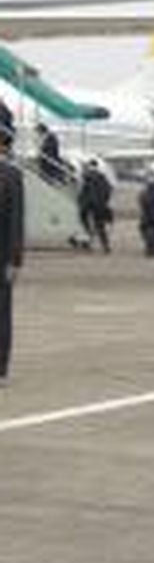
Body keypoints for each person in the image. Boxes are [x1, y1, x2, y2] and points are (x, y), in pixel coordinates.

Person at [0, 128, 24, 387]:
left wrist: (15, 261)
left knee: (1, 314)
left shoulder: (11, 176)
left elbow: (17, 220)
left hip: (1, 258)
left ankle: (0, 368)